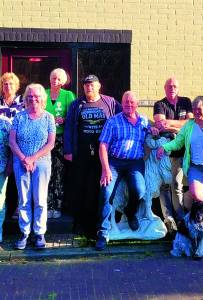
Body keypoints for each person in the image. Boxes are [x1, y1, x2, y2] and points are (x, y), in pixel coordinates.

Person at [157, 96, 203, 246]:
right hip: (195, 167)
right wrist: (165, 147)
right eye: (194, 109)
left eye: (199, 109)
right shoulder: (190, 125)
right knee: (197, 194)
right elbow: (178, 142)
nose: (196, 112)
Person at [96, 91, 158, 250]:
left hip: (135, 163)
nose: (129, 105)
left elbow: (152, 132)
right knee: (106, 192)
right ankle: (103, 232)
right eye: (126, 102)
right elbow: (103, 145)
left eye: (132, 102)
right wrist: (105, 169)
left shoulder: (144, 121)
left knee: (139, 190)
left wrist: (154, 131)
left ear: (137, 104)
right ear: (121, 104)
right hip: (114, 163)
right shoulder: (113, 121)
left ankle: (130, 212)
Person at [64, 75, 121, 238]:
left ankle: (99, 225)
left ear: (99, 86)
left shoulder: (110, 102)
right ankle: (82, 225)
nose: (89, 87)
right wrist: (68, 150)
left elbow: (125, 114)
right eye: (86, 85)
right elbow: (68, 128)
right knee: (81, 188)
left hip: (103, 154)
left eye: (92, 85)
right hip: (81, 153)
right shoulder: (76, 105)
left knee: (99, 188)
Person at [9, 83, 56, 250]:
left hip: (42, 162)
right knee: (24, 198)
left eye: (37, 96)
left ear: (42, 98)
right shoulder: (20, 117)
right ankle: (24, 233)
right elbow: (12, 141)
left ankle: (39, 233)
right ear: (26, 99)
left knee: (40, 198)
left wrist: (33, 158)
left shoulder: (48, 117)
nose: (33, 99)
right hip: (20, 161)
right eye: (30, 96)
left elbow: (51, 143)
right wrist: (24, 159)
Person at [153, 77, 193, 233]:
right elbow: (159, 124)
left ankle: (180, 217)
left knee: (177, 185)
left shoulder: (186, 102)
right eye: (169, 86)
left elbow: (191, 123)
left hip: (180, 152)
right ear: (164, 88)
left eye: (175, 86)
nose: (172, 88)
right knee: (164, 186)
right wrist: (180, 126)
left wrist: (170, 125)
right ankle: (169, 219)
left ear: (179, 88)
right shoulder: (160, 104)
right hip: (164, 152)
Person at [45, 68, 76, 219]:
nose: (55, 81)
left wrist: (64, 119)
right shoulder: (43, 93)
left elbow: (73, 117)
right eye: (53, 78)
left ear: (63, 81)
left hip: (60, 139)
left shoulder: (68, 95)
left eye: (58, 79)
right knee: (45, 173)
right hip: (44, 140)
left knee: (58, 173)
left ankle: (57, 206)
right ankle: (46, 205)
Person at [0, 72, 24, 219]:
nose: (8, 86)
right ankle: (4, 209)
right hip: (1, 148)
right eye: (5, 84)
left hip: (18, 146)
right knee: (3, 179)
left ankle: (17, 208)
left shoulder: (23, 102)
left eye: (11, 84)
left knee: (17, 177)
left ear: (16, 86)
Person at [0, 115, 11, 245]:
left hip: (1, 168)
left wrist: (10, 164)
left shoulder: (5, 122)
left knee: (0, 201)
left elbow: (11, 146)